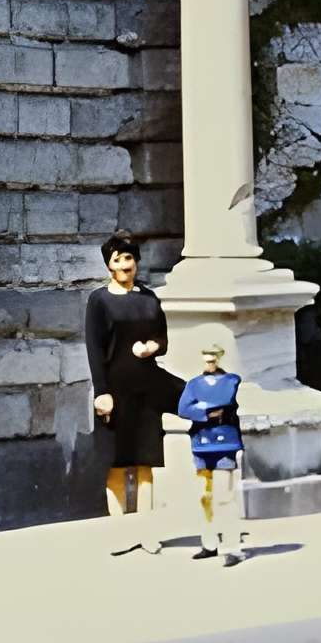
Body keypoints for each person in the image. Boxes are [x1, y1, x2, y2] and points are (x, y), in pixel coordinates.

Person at [84, 232, 187, 554]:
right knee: (117, 463)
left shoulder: (149, 298)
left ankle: (146, 531)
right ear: (109, 265)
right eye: (118, 260)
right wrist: (102, 392)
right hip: (115, 391)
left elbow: (163, 338)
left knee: (144, 463)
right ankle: (120, 532)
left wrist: (152, 346)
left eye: (129, 258)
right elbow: (93, 348)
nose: (124, 265)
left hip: (146, 390)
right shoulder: (99, 300)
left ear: (136, 262)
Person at [178, 339, 245, 565]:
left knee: (224, 496)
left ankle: (233, 547)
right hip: (201, 445)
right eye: (206, 357)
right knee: (205, 497)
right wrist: (207, 411)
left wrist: (205, 407)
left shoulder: (232, 381)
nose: (210, 361)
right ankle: (209, 543)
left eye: (214, 357)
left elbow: (227, 401)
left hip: (225, 444)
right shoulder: (194, 384)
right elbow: (184, 408)